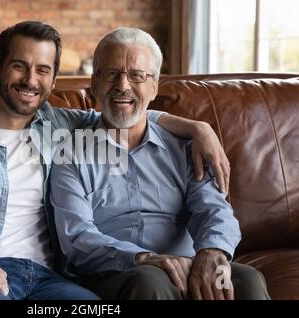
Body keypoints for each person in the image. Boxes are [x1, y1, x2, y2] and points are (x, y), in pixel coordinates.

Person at [0, 21, 231, 300]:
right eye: (19, 66)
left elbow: (126, 109)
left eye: (42, 70)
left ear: (54, 81)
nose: (30, 80)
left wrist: (196, 127)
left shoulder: (61, 126)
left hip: (47, 281)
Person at [50, 27, 270, 300]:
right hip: (115, 273)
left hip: (188, 265)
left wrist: (211, 252)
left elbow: (214, 209)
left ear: (154, 87)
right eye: (111, 74)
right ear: (94, 84)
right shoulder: (71, 154)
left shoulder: (185, 147)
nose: (123, 85)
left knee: (246, 279)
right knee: (150, 280)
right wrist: (144, 258)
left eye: (137, 76)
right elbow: (77, 238)